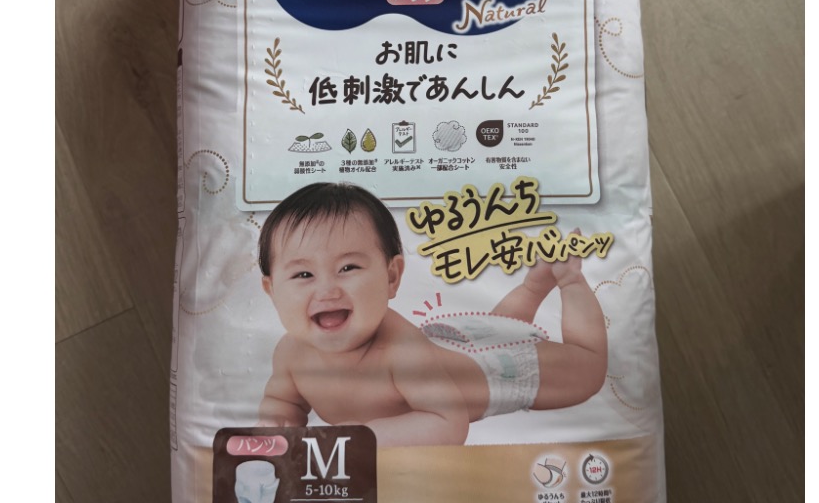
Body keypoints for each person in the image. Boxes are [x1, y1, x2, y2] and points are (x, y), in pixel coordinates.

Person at [257, 182, 608, 447]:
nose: (327, 290)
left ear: (391, 277)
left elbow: (448, 422)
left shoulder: (401, 350)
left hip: (496, 371)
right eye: (303, 274)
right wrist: (279, 425)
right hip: (453, 340)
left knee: (587, 372)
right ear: (271, 290)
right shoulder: (289, 353)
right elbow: (282, 401)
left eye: (348, 268)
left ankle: (569, 280)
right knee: (500, 326)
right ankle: (533, 287)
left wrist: (362, 439)